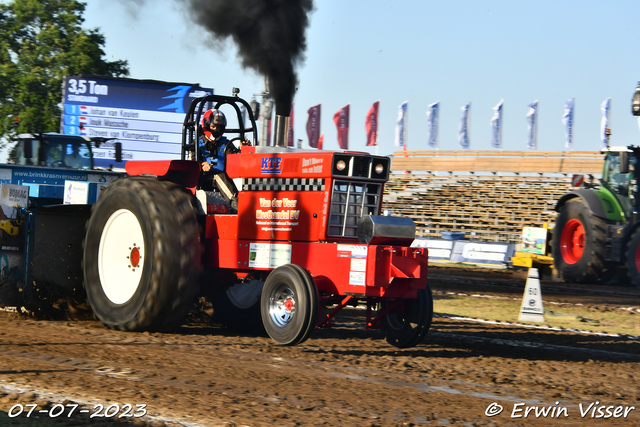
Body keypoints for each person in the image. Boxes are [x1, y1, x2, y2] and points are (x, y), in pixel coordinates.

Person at [199, 109, 249, 212]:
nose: (216, 130)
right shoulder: (197, 144)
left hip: (223, 179)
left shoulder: (225, 143)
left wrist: (242, 150)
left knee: (224, 175)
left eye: (219, 127)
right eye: (213, 126)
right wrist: (202, 164)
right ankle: (235, 202)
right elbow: (192, 162)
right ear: (207, 125)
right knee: (218, 175)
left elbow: (233, 158)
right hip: (202, 179)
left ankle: (246, 199)